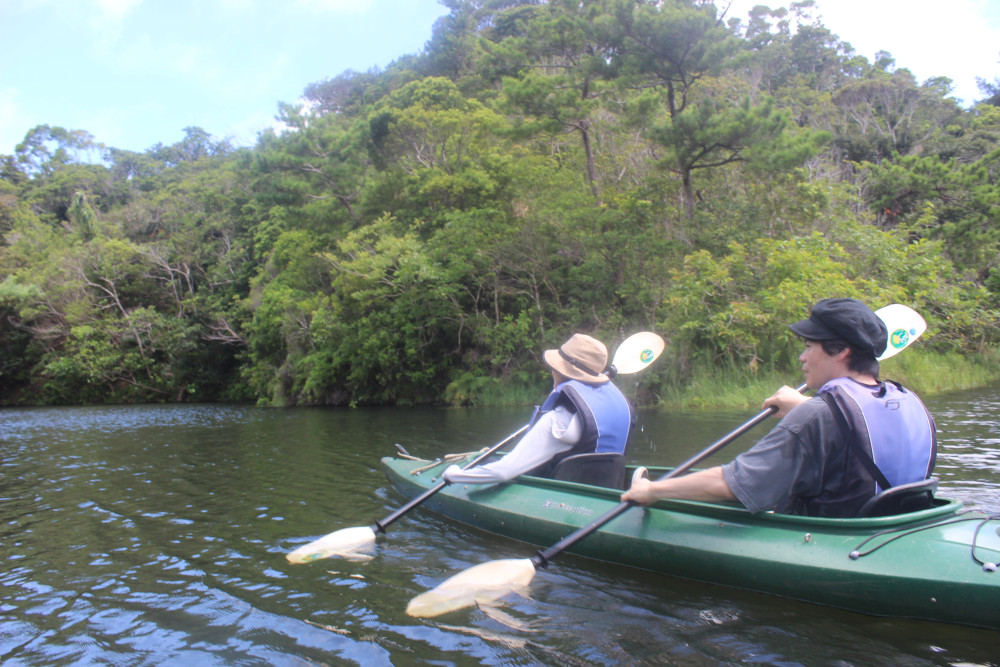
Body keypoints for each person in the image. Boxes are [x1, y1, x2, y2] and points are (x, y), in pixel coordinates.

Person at [622, 298, 937, 518]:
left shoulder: (817, 415)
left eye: (809, 346)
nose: (802, 357)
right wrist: (804, 407)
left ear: (842, 350)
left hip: (832, 539)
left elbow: (734, 484)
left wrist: (653, 491)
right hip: (897, 527)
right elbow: (862, 429)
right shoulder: (910, 401)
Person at [443, 333, 634, 486]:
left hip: (562, 496)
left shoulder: (558, 421)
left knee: (492, 463)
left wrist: (454, 475)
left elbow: (505, 471)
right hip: (605, 490)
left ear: (558, 370)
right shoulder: (620, 407)